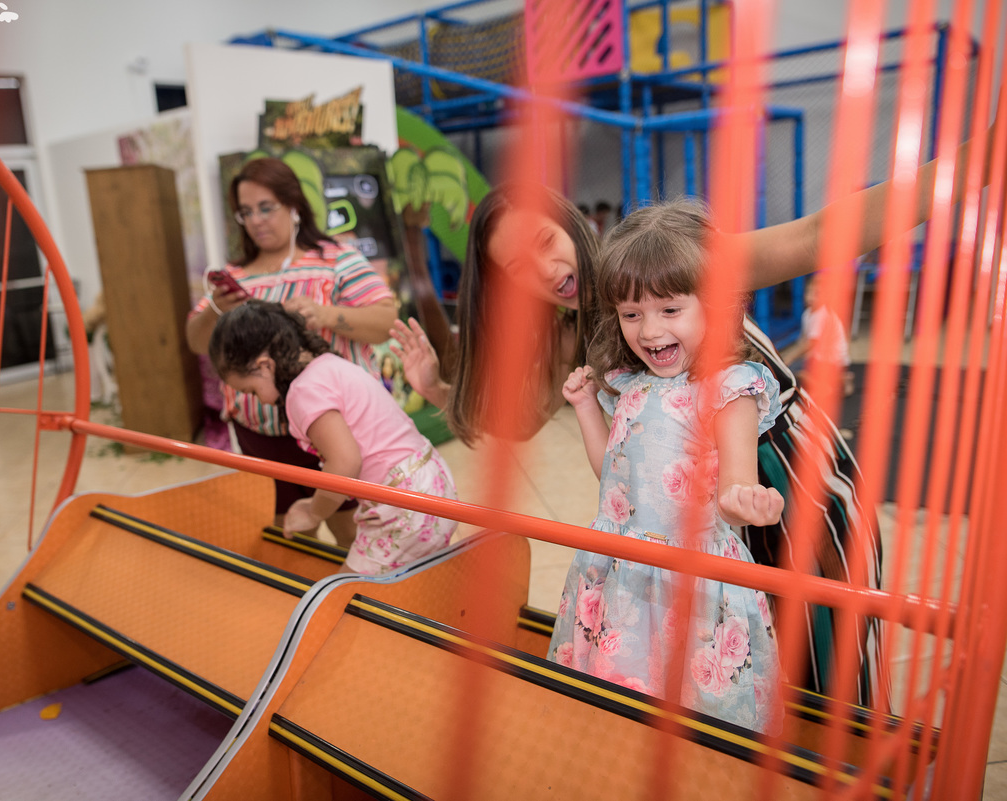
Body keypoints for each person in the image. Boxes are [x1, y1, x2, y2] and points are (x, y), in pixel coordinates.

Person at [391, 145, 986, 707]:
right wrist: (438, 391)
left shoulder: (679, 259)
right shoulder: (572, 340)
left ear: (568, 222)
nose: (546, 269)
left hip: (785, 480)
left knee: (825, 664)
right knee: (739, 680)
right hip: (693, 529)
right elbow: (519, 418)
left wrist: (971, 166)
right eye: (517, 266)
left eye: (547, 240)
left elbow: (814, 236)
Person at [550, 199, 783, 734]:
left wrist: (747, 501)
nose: (649, 331)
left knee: (695, 716)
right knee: (620, 709)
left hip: (692, 579)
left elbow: (734, 492)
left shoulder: (729, 390)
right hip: (618, 565)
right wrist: (587, 408)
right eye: (631, 315)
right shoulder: (632, 386)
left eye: (669, 310)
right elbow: (614, 481)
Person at [186, 157, 397, 546]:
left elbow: (387, 319)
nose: (257, 221)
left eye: (267, 207)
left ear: (294, 205)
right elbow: (197, 342)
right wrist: (216, 308)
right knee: (287, 537)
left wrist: (327, 315)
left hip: (335, 435)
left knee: (355, 535)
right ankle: (303, 605)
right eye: (245, 212)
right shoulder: (236, 275)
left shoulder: (337, 260)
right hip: (261, 437)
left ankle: (360, 604)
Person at [209, 301, 459, 575]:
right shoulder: (329, 363)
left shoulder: (302, 392)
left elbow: (344, 462)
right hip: (431, 481)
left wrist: (314, 513)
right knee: (415, 579)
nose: (258, 400)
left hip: (402, 506)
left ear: (265, 366)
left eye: (252, 391)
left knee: (346, 598)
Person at [780, 273, 856, 397]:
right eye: (808, 292)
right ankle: (842, 378)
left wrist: (790, 357)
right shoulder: (808, 313)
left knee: (796, 373)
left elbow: (809, 343)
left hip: (831, 361)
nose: (810, 297)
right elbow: (803, 339)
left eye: (816, 294)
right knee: (796, 367)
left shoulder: (822, 316)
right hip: (822, 359)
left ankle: (827, 386)